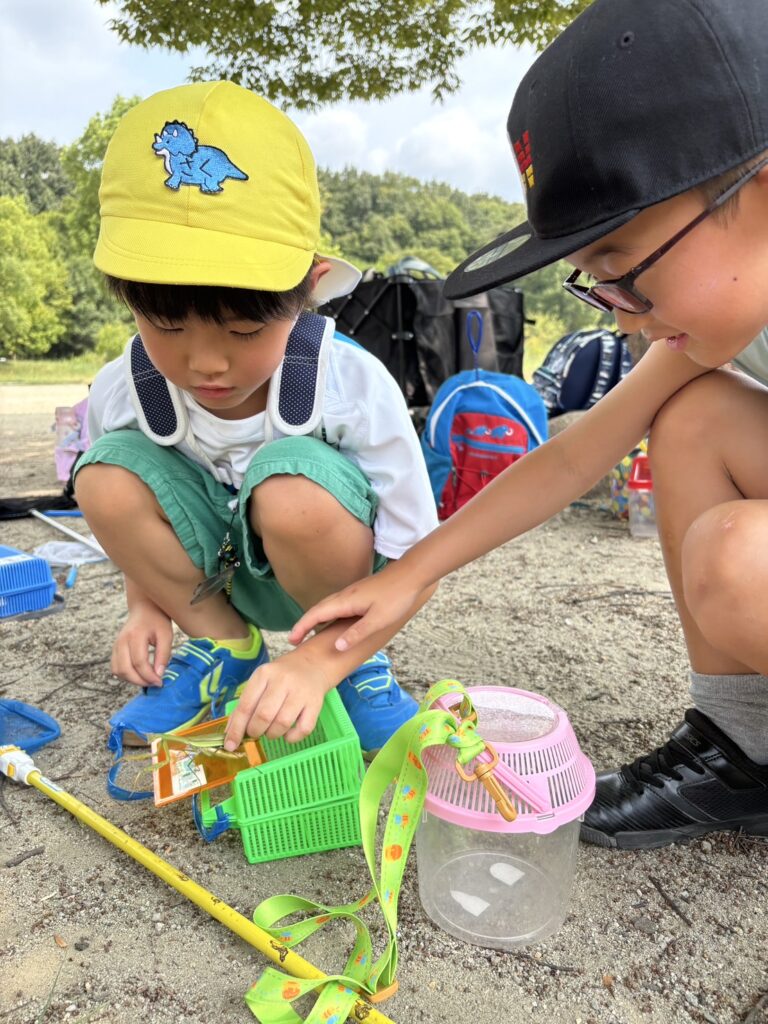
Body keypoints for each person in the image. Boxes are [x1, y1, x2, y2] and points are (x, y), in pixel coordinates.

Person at [280, 0, 768, 849]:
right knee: (693, 415)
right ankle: (744, 745)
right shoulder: (722, 317)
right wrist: (408, 575)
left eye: (625, 273)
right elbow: (575, 455)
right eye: (596, 286)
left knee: (740, 558)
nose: (622, 319)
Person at [74, 81, 438, 788]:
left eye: (244, 330)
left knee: (294, 486)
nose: (205, 363)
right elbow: (131, 516)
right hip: (209, 581)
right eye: (167, 325)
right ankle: (224, 651)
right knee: (104, 474)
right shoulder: (122, 387)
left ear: (310, 288)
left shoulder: (349, 383)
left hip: (327, 590)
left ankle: (353, 670)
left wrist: (330, 654)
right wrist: (145, 606)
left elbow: (415, 557)